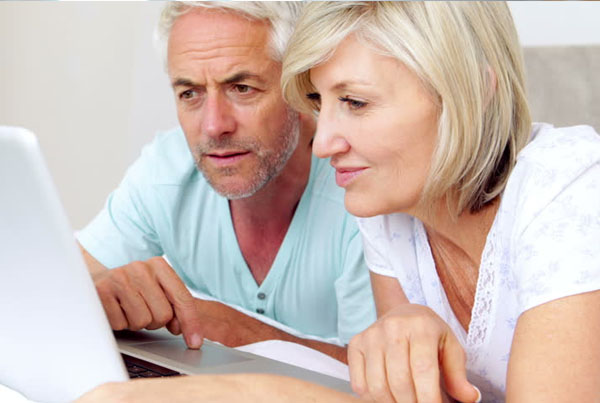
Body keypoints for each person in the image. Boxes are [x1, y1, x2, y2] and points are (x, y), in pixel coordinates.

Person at [77, 2, 600, 402]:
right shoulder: (391, 210)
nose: (324, 141)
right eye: (319, 103)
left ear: (470, 92)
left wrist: (250, 392)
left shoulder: (569, 185)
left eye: (355, 102)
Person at [76, 1, 376, 363]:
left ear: (301, 86)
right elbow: (60, 286)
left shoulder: (361, 189)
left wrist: (239, 332)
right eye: (191, 93)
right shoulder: (166, 171)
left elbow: (382, 381)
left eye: (242, 88)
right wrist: (102, 294)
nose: (214, 126)